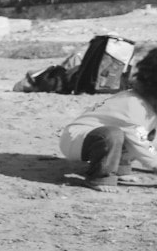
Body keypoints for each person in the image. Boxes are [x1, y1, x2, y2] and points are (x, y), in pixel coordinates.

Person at [59, 46, 157, 192]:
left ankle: (119, 168)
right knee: (113, 134)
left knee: (130, 133)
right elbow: (140, 142)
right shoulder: (133, 106)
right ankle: (100, 177)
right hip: (76, 139)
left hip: (108, 134)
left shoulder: (147, 103)